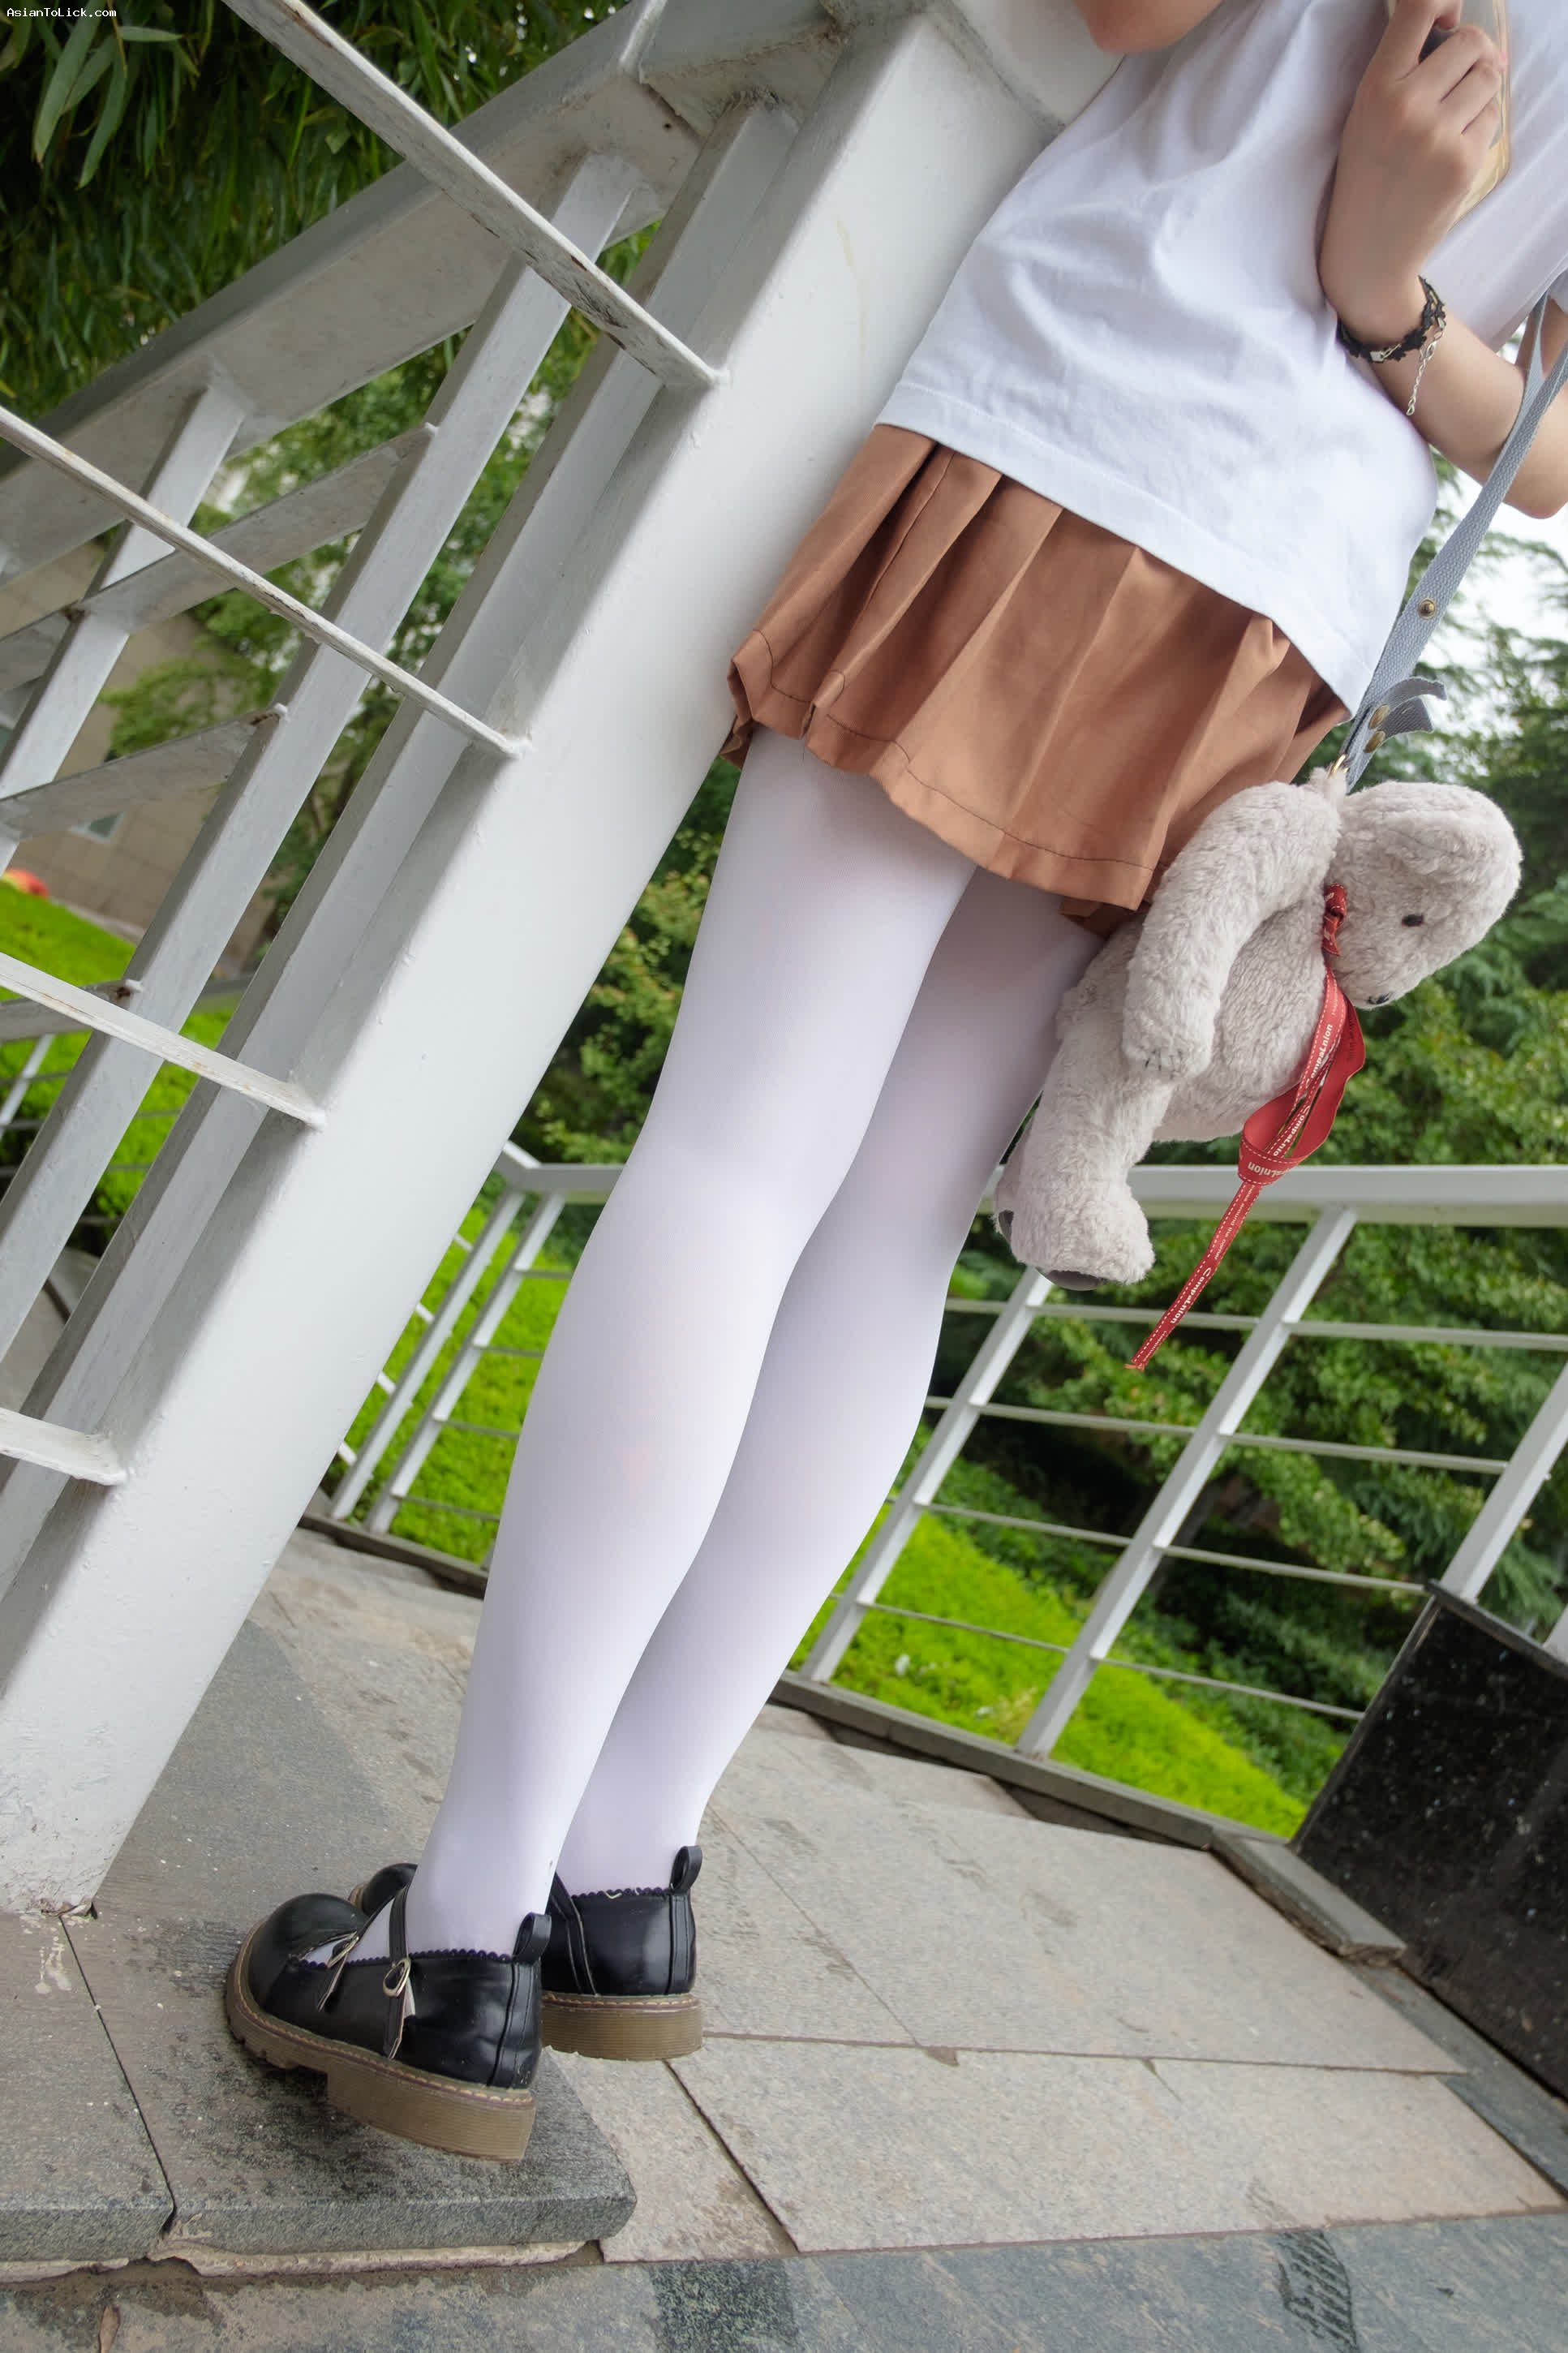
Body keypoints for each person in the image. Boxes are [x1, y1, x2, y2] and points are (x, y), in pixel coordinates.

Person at [226, 0, 1568, 2161]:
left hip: (1088, 433)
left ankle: (458, 1941)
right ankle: (625, 1875)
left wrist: (1367, 249)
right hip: (1282, 605)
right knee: (886, 1225)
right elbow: (1551, 445)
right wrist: (1395, 293)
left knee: (740, 1158)